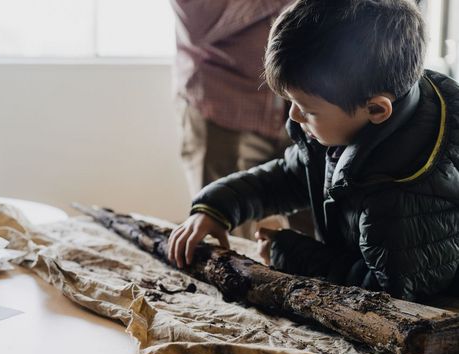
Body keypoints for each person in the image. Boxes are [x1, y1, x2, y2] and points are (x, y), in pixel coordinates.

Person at [168, 0, 459, 301]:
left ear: (376, 109)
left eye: (307, 110)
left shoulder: (403, 194)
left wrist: (288, 253)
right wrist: (216, 207)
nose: (293, 116)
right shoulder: (351, 120)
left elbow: (391, 292)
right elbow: (289, 176)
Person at [170, 0, 301, 238]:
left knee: (316, 238)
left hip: (306, 107)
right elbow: (199, 21)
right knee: (228, 237)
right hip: (223, 109)